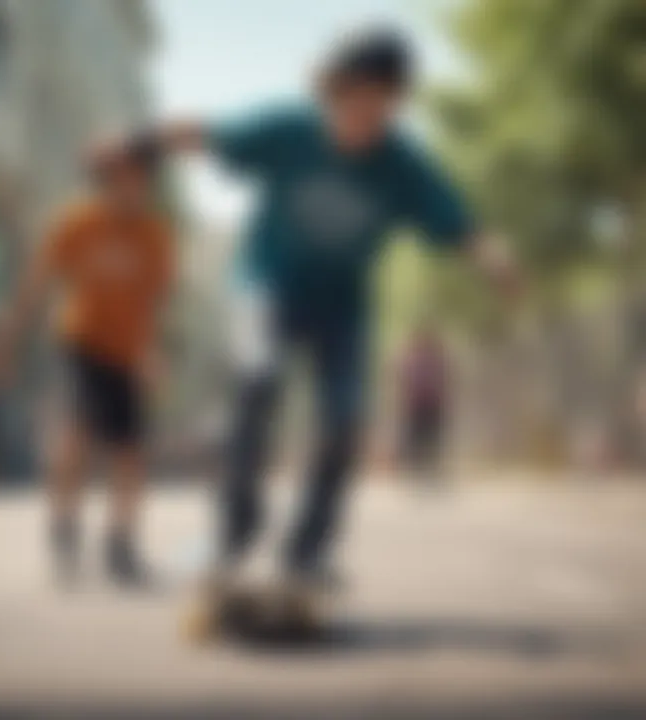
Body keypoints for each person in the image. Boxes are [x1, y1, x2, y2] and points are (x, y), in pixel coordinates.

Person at [95, 28, 517, 591]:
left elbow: (458, 223)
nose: (360, 122)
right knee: (259, 374)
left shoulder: (402, 163)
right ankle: (238, 526)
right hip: (266, 286)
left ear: (395, 105)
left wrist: (494, 259)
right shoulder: (289, 128)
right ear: (329, 93)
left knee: (344, 419)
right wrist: (137, 140)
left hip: (341, 306)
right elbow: (206, 133)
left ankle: (306, 551)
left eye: (378, 108)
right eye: (350, 104)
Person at [0, 144, 173, 586]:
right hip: (79, 343)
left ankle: (121, 543)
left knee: (129, 451)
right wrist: (4, 344)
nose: (136, 185)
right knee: (73, 432)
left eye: (143, 177)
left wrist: (153, 353)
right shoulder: (76, 222)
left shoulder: (156, 234)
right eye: (126, 176)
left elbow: (155, 302)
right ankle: (63, 521)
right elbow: (35, 283)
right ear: (106, 180)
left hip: (126, 353)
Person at [399, 326, 450, 485]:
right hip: (417, 403)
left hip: (431, 403)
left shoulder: (435, 359)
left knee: (431, 436)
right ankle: (416, 469)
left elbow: (443, 380)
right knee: (416, 436)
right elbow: (406, 380)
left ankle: (429, 467)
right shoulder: (414, 358)